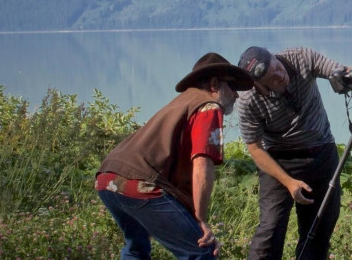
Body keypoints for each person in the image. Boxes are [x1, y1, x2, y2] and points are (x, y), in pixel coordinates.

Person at [96, 52, 255, 260]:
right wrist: (201, 220)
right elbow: (202, 164)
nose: (236, 95)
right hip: (139, 184)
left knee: (136, 249)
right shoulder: (208, 106)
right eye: (233, 87)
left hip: (107, 179)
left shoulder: (181, 102)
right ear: (215, 84)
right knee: (202, 251)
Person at [236, 46, 350, 260]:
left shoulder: (301, 58)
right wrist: (288, 182)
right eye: (273, 78)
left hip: (321, 151)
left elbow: (339, 71)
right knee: (271, 227)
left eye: (277, 67)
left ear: (274, 56)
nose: (280, 75)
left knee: (318, 227)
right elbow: (255, 149)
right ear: (258, 84)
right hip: (278, 159)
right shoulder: (247, 99)